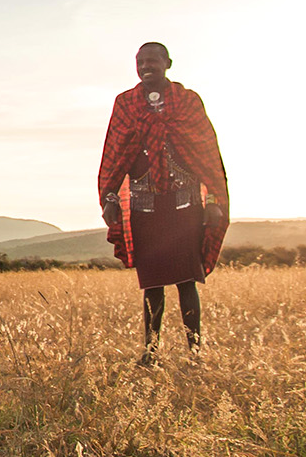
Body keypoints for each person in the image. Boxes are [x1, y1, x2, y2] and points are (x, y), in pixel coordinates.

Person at [98, 41, 229, 358]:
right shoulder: (126, 104)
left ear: (167, 63)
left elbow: (206, 153)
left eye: (153, 61)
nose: (146, 67)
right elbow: (114, 154)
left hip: (184, 204)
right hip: (145, 204)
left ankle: (195, 350)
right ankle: (150, 350)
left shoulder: (187, 102)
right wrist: (110, 196)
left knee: (186, 281)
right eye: (141, 62)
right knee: (152, 285)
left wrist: (213, 198)